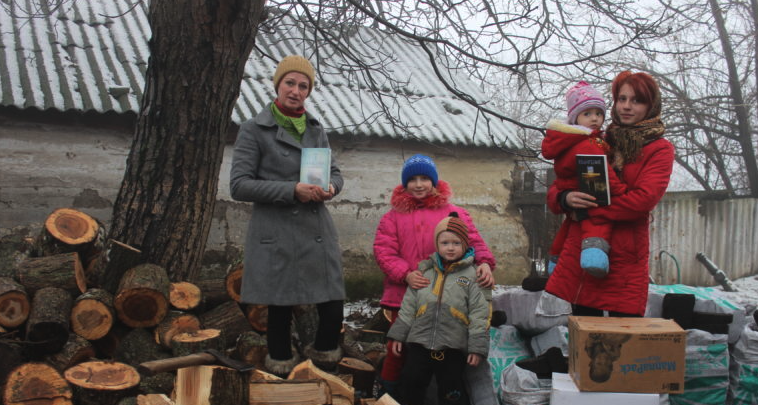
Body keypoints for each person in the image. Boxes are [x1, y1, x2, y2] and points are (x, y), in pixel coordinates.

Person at [230, 55, 345, 375]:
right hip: (275, 230)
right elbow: (239, 186)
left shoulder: (315, 129)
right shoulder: (253, 130)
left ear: (309, 91)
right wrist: (291, 190)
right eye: (290, 83)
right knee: (279, 308)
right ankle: (281, 371)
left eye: (303, 86)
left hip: (315, 228)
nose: (296, 91)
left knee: (333, 305)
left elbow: (335, 174)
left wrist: (332, 188)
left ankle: (323, 360)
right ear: (277, 84)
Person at [544, 71, 675, 317]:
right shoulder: (597, 140)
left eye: (636, 100)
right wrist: (565, 199)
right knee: (584, 338)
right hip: (583, 249)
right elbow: (561, 183)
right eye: (622, 99)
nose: (626, 106)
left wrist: (587, 208)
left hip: (625, 255)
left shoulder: (660, 149)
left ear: (651, 105)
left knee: (622, 340)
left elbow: (642, 200)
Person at [373, 154, 496, 397]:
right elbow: (384, 251)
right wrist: (406, 274)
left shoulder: (453, 212)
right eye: (413, 179)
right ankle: (387, 395)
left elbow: (473, 240)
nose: (419, 184)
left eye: (425, 178)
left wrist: (485, 263)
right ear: (404, 183)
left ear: (435, 182)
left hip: (448, 295)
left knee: (443, 351)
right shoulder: (393, 216)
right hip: (405, 294)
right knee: (398, 350)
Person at [387, 213, 490, 405]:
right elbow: (409, 306)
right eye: (445, 243)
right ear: (437, 244)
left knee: (451, 392)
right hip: (419, 343)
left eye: (456, 243)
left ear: (465, 245)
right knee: (411, 383)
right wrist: (398, 335)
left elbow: (480, 314)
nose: (450, 248)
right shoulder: (424, 272)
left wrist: (477, 347)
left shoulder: (473, 276)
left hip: (452, 346)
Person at [542, 81, 627, 278]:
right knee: (595, 224)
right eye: (587, 114)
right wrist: (621, 190)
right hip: (588, 192)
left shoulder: (577, 141)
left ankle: (555, 261)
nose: (595, 119)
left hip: (570, 190)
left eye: (598, 113)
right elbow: (605, 175)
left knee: (568, 229)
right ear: (575, 118)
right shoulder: (588, 144)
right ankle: (593, 255)